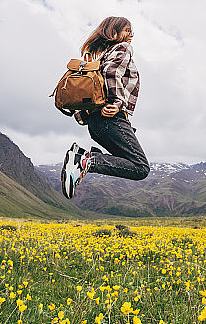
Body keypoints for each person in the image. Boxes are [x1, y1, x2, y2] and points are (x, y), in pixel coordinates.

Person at [60, 16, 150, 199]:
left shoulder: (100, 57)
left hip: (97, 125)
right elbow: (111, 73)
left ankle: (82, 156)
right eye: (127, 30)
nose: (131, 35)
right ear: (114, 32)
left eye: (131, 31)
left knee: (126, 162)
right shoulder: (122, 48)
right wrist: (117, 103)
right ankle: (87, 160)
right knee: (140, 167)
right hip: (111, 119)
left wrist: (85, 115)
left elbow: (96, 88)